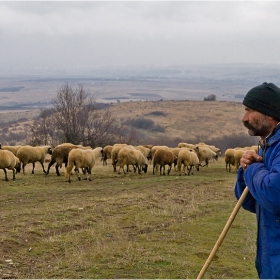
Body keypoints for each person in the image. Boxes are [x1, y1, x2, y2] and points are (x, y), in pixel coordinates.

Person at [235, 82, 280, 279]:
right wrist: (245, 171)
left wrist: (253, 169)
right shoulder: (267, 145)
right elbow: (252, 202)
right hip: (270, 259)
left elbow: (274, 194)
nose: (244, 118)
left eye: (249, 111)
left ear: (269, 113)